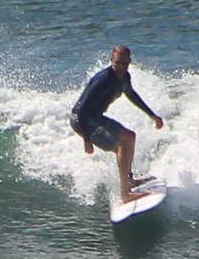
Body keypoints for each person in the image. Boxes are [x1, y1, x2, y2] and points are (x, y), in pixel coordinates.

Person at [70, 45, 165, 203]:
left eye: (124, 63)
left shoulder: (125, 77)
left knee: (130, 137)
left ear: (129, 61)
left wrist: (152, 115)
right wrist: (87, 139)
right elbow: (81, 111)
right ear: (111, 61)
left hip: (96, 117)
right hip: (82, 121)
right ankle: (126, 194)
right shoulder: (102, 80)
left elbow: (131, 95)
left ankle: (129, 179)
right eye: (117, 63)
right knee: (122, 146)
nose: (121, 67)